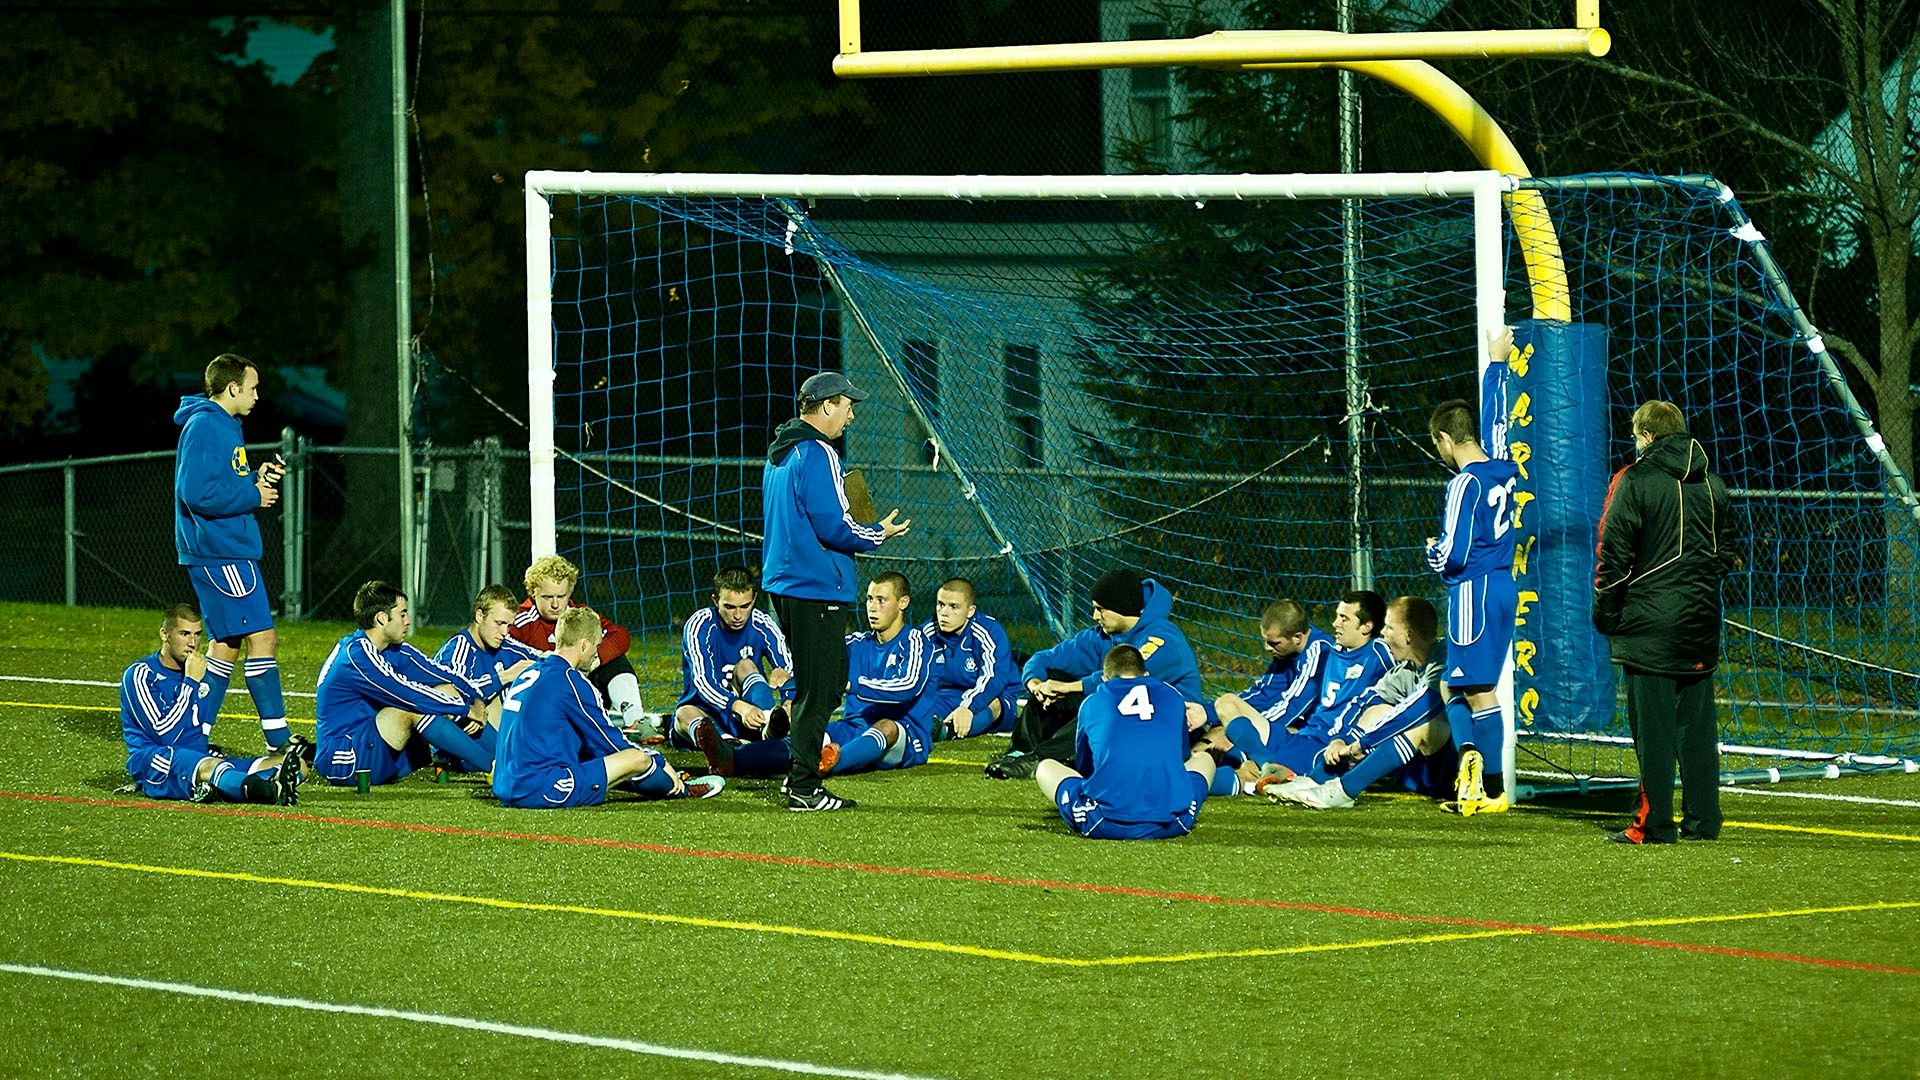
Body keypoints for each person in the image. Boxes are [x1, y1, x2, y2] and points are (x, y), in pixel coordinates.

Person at [760, 370, 910, 811]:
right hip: (814, 586)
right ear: (826, 405)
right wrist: (876, 533)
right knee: (821, 687)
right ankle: (803, 785)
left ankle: (795, 769)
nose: (852, 415)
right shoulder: (818, 451)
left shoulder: (780, 453)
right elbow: (833, 526)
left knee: (817, 684)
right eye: (847, 405)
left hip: (786, 584)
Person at [1593, 400, 1737, 845]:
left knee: (1652, 733)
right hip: (1700, 620)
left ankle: (1652, 824)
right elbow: (1727, 553)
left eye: (1637, 436)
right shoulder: (1713, 483)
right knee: (1696, 730)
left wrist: (1607, 613)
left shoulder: (1633, 480)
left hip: (1650, 625)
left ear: (1648, 436)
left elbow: (1612, 553)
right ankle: (1703, 820)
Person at [694, 573, 932, 781]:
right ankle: (731, 759)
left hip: (906, 735)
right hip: (853, 728)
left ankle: (826, 764)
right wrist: (789, 689)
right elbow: (817, 668)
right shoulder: (855, 643)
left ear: (903, 603)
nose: (872, 607)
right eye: (870, 599)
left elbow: (908, 686)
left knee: (886, 727)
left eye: (881, 600)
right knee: (806, 738)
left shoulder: (914, 640)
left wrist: (852, 685)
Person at [173, 353, 291, 750]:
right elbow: (195, 491)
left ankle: (194, 737)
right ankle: (279, 742)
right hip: (222, 553)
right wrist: (252, 495)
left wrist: (255, 478)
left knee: (226, 644)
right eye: (253, 387)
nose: (257, 395)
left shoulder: (225, 425)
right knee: (263, 637)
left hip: (224, 550)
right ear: (233, 387)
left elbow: (222, 480)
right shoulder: (207, 425)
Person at [494, 607, 724, 809]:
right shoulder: (570, 681)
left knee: (593, 751)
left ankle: (664, 780)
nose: (596, 653)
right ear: (584, 644)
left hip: (505, 783)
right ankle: (681, 788)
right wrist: (660, 763)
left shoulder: (530, 672)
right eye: (595, 646)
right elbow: (612, 741)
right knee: (637, 759)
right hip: (543, 788)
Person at [986, 568, 1200, 781]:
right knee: (1054, 677)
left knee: (1103, 701)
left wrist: (1069, 687)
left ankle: (1043, 759)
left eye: (1100, 609)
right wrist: (1036, 684)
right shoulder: (1100, 636)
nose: (1094, 616)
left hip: (1168, 731)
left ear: (1121, 607)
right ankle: (1022, 752)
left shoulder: (1164, 638)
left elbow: (1123, 679)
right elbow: (1044, 659)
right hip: (1128, 726)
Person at [1268, 596, 1459, 810]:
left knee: (1423, 726)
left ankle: (1343, 791)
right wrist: (1343, 740)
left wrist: (1362, 744)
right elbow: (1368, 699)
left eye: (1388, 627)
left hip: (1454, 773)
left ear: (1409, 636)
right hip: (1421, 772)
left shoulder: (1447, 659)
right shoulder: (1406, 669)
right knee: (1379, 709)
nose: (1383, 633)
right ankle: (1315, 780)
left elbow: (1420, 707)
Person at [1428, 381, 1521, 814]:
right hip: (1504, 586)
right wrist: (1498, 364)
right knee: (1457, 683)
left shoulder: (1463, 483)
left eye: (1438, 445)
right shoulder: (1503, 468)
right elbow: (1499, 421)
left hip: (1474, 591)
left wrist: (1434, 552)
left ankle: (1489, 789)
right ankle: (1480, 779)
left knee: (1478, 691)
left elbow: (1455, 552)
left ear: (1445, 438)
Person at [313, 581, 497, 788]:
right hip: (345, 758)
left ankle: (507, 757)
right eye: (402, 614)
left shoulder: (392, 649)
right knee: (413, 708)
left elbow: (440, 673)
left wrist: (476, 699)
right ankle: (493, 767)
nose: (408, 621)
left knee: (446, 690)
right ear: (382, 618)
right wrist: (464, 709)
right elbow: (407, 694)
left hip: (375, 745)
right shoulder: (356, 655)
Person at [120, 603, 307, 805]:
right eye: (184, 634)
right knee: (212, 766)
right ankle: (266, 791)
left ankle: (234, 785)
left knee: (299, 765)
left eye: (197, 634)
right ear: (165, 634)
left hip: (200, 758)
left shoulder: (199, 671)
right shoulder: (141, 674)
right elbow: (165, 734)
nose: (192, 643)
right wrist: (190, 682)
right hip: (157, 760)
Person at [1203, 590, 1394, 783]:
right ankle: (1266, 764)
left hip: (1323, 745)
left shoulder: (1378, 652)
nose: (1335, 623)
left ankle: (1189, 782)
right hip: (1301, 736)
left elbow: (1406, 670)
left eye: (1344, 618)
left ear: (1366, 627)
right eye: (1337, 616)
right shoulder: (1331, 651)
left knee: (1241, 769)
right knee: (1226, 703)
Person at [1035, 645, 1216, 840]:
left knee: (1045, 767)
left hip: (1105, 821)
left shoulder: (1092, 702)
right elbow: (1182, 758)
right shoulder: (1173, 696)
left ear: (1104, 679)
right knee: (1205, 759)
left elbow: (1086, 768)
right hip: (1173, 821)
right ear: (1146, 674)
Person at [509, 555, 659, 739]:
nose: (555, 604)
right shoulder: (520, 621)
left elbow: (621, 636)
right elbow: (506, 651)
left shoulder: (579, 616)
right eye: (548, 597)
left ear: (570, 592)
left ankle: (635, 720)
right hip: (543, 699)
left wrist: (594, 661)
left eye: (561, 596)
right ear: (533, 592)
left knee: (615, 659)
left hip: (581, 690)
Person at [1200, 599, 1334, 789]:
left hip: (1309, 739)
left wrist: (1239, 735)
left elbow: (1291, 708)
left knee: (1232, 758)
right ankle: (1261, 765)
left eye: (1274, 642)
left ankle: (1252, 772)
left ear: (1297, 637)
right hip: (1289, 731)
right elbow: (1262, 694)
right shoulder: (1286, 655)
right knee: (1226, 705)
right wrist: (1209, 713)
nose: (1266, 648)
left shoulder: (1321, 652)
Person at [672, 565, 793, 750]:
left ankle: (767, 725)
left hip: (750, 717)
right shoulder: (699, 625)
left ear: (753, 600)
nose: (738, 615)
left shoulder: (763, 624)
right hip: (706, 712)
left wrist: (788, 701)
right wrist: (737, 706)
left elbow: (787, 670)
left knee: (746, 665)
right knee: (683, 714)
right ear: (715, 600)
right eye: (729, 607)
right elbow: (702, 682)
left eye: (745, 606)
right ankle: (722, 744)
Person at [920, 577, 1018, 740]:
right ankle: (927, 727)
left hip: (992, 695)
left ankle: (947, 732)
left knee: (994, 705)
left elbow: (993, 679)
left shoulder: (989, 632)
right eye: (940, 604)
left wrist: (969, 707)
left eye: (954, 607)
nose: (944, 612)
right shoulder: (926, 633)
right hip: (946, 696)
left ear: (970, 611)